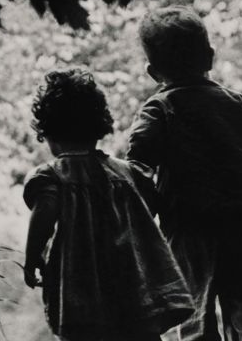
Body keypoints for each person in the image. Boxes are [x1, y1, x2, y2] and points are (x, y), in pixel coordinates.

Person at [127, 5, 242, 341]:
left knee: (196, 312)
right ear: (209, 56)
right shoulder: (237, 103)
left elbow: (138, 169)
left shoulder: (160, 108)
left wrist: (141, 222)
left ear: (152, 72)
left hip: (192, 228)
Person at [22, 68, 194, 341]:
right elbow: (149, 205)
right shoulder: (127, 173)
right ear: (98, 125)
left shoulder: (53, 176)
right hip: (134, 283)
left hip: (82, 287)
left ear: (48, 133)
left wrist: (32, 257)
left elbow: (44, 213)